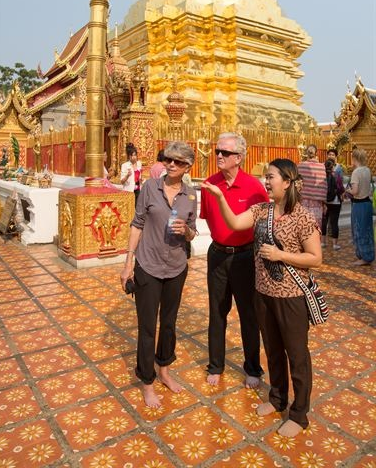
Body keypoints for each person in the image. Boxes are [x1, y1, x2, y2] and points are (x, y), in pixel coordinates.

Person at [202, 158, 322, 438]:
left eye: (271, 177)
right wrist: (220, 197)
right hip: (263, 293)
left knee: (297, 355)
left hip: (291, 297)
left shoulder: (302, 216)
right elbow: (233, 221)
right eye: (266, 177)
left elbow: (316, 258)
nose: (266, 182)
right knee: (273, 350)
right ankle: (277, 398)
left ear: (288, 182)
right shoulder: (261, 211)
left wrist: (281, 255)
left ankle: (299, 413)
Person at [120, 141, 197, 408]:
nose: (171, 164)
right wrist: (128, 262)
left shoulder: (190, 195)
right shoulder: (150, 188)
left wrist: (186, 232)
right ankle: (147, 381)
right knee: (147, 327)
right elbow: (137, 223)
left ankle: (164, 370)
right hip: (148, 265)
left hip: (176, 267)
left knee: (168, 323)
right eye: (167, 159)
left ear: (188, 166)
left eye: (177, 161)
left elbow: (192, 229)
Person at [200, 132, 268, 389]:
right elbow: (207, 217)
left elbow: (261, 225)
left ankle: (252, 367)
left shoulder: (254, 188)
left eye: (225, 153)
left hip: (245, 257)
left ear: (238, 158)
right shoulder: (209, 184)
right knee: (217, 312)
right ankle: (215, 364)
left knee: (249, 315)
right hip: (217, 254)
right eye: (218, 151)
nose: (218, 156)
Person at [347, 148, 374, 266]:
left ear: (354, 158)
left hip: (359, 205)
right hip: (368, 204)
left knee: (358, 230)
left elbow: (355, 191)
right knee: (367, 230)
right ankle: (369, 254)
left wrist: (347, 190)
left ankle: (363, 257)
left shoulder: (356, 172)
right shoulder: (368, 170)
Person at [297, 144, 327, 227]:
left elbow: (297, 184)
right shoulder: (322, 167)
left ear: (306, 153)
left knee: (303, 225)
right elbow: (323, 186)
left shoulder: (300, 166)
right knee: (316, 225)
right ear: (316, 153)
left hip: (303, 201)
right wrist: (325, 203)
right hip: (317, 202)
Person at [321, 158, 344, 250]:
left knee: (324, 222)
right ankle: (335, 244)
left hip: (325, 202)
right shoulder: (337, 176)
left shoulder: (322, 177)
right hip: (335, 202)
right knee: (334, 223)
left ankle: (323, 242)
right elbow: (341, 188)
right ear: (333, 166)